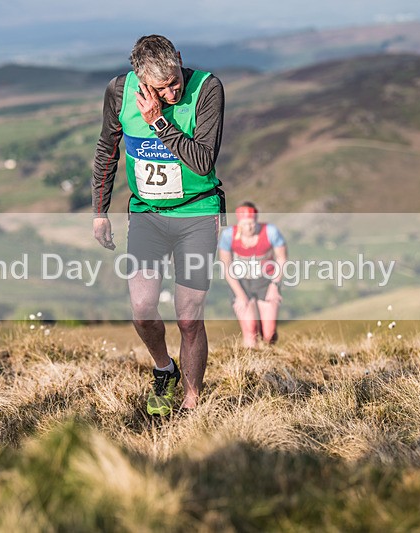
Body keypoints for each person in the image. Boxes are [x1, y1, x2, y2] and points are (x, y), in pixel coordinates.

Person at [91, 35, 225, 416]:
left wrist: (160, 121)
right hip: (147, 215)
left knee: (188, 316)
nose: (172, 90)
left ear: (179, 60)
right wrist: (100, 211)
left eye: (174, 82)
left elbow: (202, 161)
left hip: (197, 212)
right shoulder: (119, 92)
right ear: (140, 79)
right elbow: (107, 149)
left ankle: (191, 401)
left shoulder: (206, 88)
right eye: (161, 88)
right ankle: (165, 369)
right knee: (142, 309)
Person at [218, 202, 287, 348]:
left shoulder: (270, 231)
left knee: (269, 333)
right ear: (238, 222)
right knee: (250, 330)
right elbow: (226, 266)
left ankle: (270, 354)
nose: (249, 228)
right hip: (241, 283)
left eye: (252, 223)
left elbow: (282, 259)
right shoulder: (228, 235)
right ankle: (250, 364)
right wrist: (240, 295)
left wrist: (274, 286)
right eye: (245, 224)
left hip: (266, 282)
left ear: (257, 220)